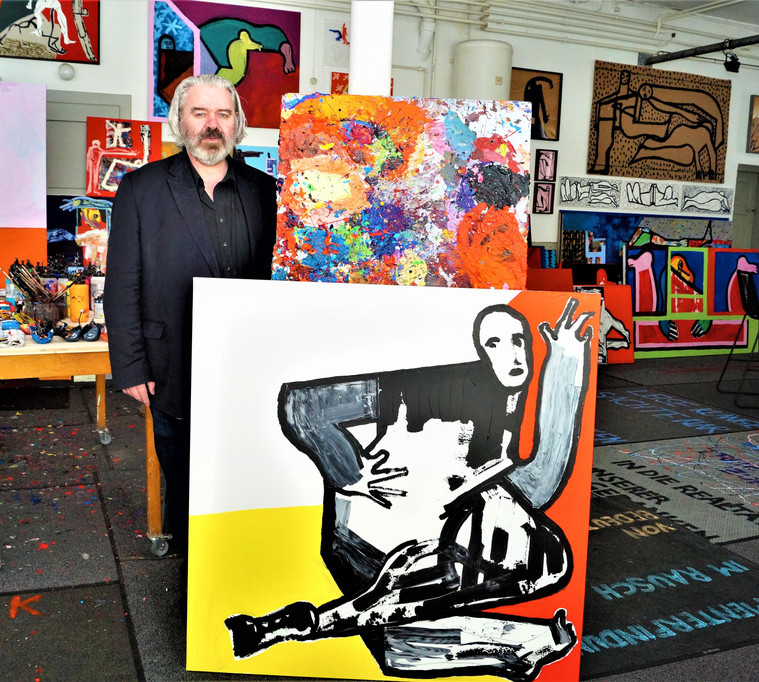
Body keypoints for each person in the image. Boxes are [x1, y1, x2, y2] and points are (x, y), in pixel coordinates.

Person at [226, 298, 594, 679]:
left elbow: (537, 483)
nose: (514, 353)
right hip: (367, 541)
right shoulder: (421, 388)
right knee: (399, 637)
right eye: (495, 343)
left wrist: (565, 361)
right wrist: (351, 473)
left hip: (421, 543)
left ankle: (517, 649)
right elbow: (302, 407)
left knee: (399, 650)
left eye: (519, 340)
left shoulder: (504, 400)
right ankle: (518, 648)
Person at [103, 74, 278, 557]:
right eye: (200, 113)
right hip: (171, 362)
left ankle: (238, 557)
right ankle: (190, 569)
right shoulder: (141, 188)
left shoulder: (266, 191)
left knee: (245, 466)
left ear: (237, 123)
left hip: (249, 364)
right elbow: (122, 284)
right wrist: (130, 366)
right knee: (183, 473)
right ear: (180, 121)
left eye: (223, 114)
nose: (211, 125)